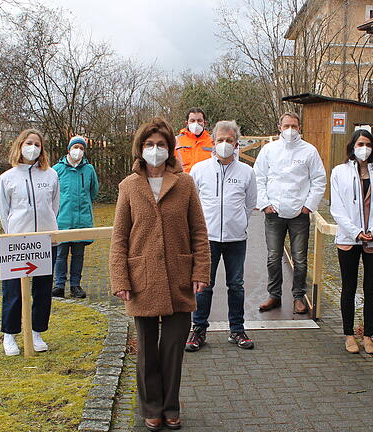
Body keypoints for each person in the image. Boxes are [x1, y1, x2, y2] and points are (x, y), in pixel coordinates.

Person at [109, 117, 210, 431]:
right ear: (141, 149)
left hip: (180, 276)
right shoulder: (129, 186)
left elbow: (199, 232)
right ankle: (150, 405)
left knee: (173, 349)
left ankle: (170, 405)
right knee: (147, 347)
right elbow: (120, 237)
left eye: (161, 145)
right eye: (149, 145)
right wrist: (120, 278)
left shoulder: (185, 183)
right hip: (143, 277)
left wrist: (201, 271)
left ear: (170, 148)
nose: (155, 150)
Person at [186, 120, 257, 352]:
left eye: (229, 140)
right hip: (207, 239)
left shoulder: (247, 172)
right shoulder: (199, 170)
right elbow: (193, 204)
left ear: (236, 143)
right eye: (220, 140)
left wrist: (239, 223)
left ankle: (237, 329)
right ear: (213, 143)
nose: (224, 144)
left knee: (236, 285)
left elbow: (250, 204)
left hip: (236, 238)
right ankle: (198, 330)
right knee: (204, 285)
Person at [330, 129, 373, 355]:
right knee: (348, 288)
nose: (364, 148)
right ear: (352, 146)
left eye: (367, 144)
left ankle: (368, 335)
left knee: (371, 289)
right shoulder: (339, 172)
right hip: (349, 238)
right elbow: (336, 208)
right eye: (360, 143)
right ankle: (349, 334)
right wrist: (356, 231)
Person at [254, 112, 326, 314]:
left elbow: (319, 179)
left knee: (300, 258)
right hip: (274, 212)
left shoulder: (309, 151)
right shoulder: (269, 150)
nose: (290, 130)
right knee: (273, 257)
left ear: (300, 127)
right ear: (279, 127)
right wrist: (265, 204)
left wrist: (308, 206)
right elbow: (258, 177)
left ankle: (298, 297)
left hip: (299, 214)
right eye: (287, 126)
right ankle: (274, 295)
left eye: (294, 126)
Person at [0, 129, 59, 356]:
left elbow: (54, 206)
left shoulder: (51, 175)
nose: (33, 148)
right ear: (20, 145)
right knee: (13, 290)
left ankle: (36, 332)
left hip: (46, 241)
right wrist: (15, 233)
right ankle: (10, 335)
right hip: (16, 242)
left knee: (42, 290)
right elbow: (4, 211)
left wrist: (47, 229)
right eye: (29, 143)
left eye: (38, 144)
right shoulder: (7, 178)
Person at [51, 135, 100, 299]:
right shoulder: (57, 170)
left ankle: (75, 285)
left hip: (82, 220)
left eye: (81, 148)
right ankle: (59, 285)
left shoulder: (89, 170)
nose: (78, 151)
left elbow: (93, 191)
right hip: (62, 220)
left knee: (78, 255)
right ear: (69, 149)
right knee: (60, 255)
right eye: (75, 147)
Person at [175, 107, 213, 173]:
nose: (196, 123)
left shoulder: (213, 142)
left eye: (199, 120)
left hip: (205, 181)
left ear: (205, 123)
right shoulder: (176, 141)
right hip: (183, 180)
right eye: (192, 121)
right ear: (187, 123)